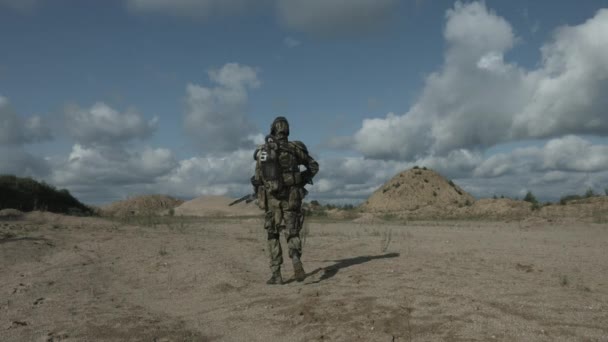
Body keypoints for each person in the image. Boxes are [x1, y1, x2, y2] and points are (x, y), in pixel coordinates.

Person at [251, 117, 319, 285]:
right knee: (292, 232)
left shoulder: (264, 151)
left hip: (272, 199)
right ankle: (296, 260)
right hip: (292, 196)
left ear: (273, 130)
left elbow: (258, 178)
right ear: (287, 131)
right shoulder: (295, 149)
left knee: (273, 234)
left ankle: (276, 274)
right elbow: (314, 166)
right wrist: (299, 180)